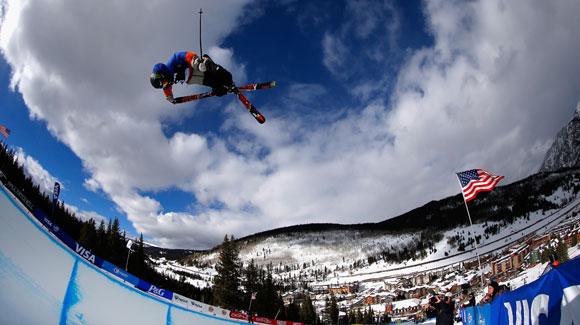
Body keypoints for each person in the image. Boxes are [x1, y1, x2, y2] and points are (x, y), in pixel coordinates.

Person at [150, 51, 235, 103]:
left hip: (197, 69)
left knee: (218, 73)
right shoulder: (166, 84)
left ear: (163, 75)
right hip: (195, 79)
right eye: (164, 85)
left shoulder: (172, 62)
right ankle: (222, 88)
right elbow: (167, 91)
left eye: (164, 82)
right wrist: (170, 98)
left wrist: (195, 61)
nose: (166, 84)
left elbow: (182, 55)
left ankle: (227, 79)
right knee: (216, 86)